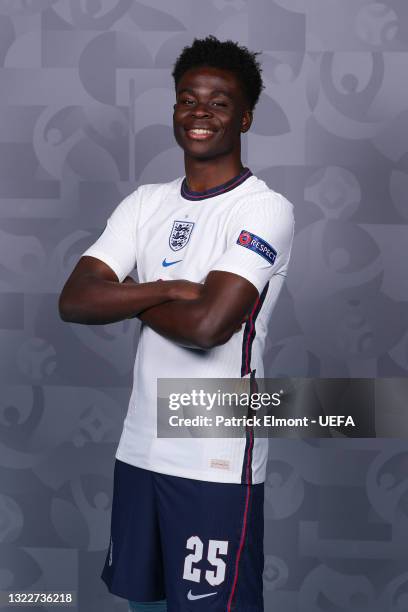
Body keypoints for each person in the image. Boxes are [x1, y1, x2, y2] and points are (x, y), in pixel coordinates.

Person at [59, 35, 294, 612]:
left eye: (219, 102)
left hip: (212, 460)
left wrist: (125, 293)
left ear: (246, 116)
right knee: (144, 607)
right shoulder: (146, 203)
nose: (200, 113)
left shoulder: (264, 208)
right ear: (173, 109)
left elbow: (210, 324)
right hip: (140, 449)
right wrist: (165, 288)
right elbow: (75, 299)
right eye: (188, 99)